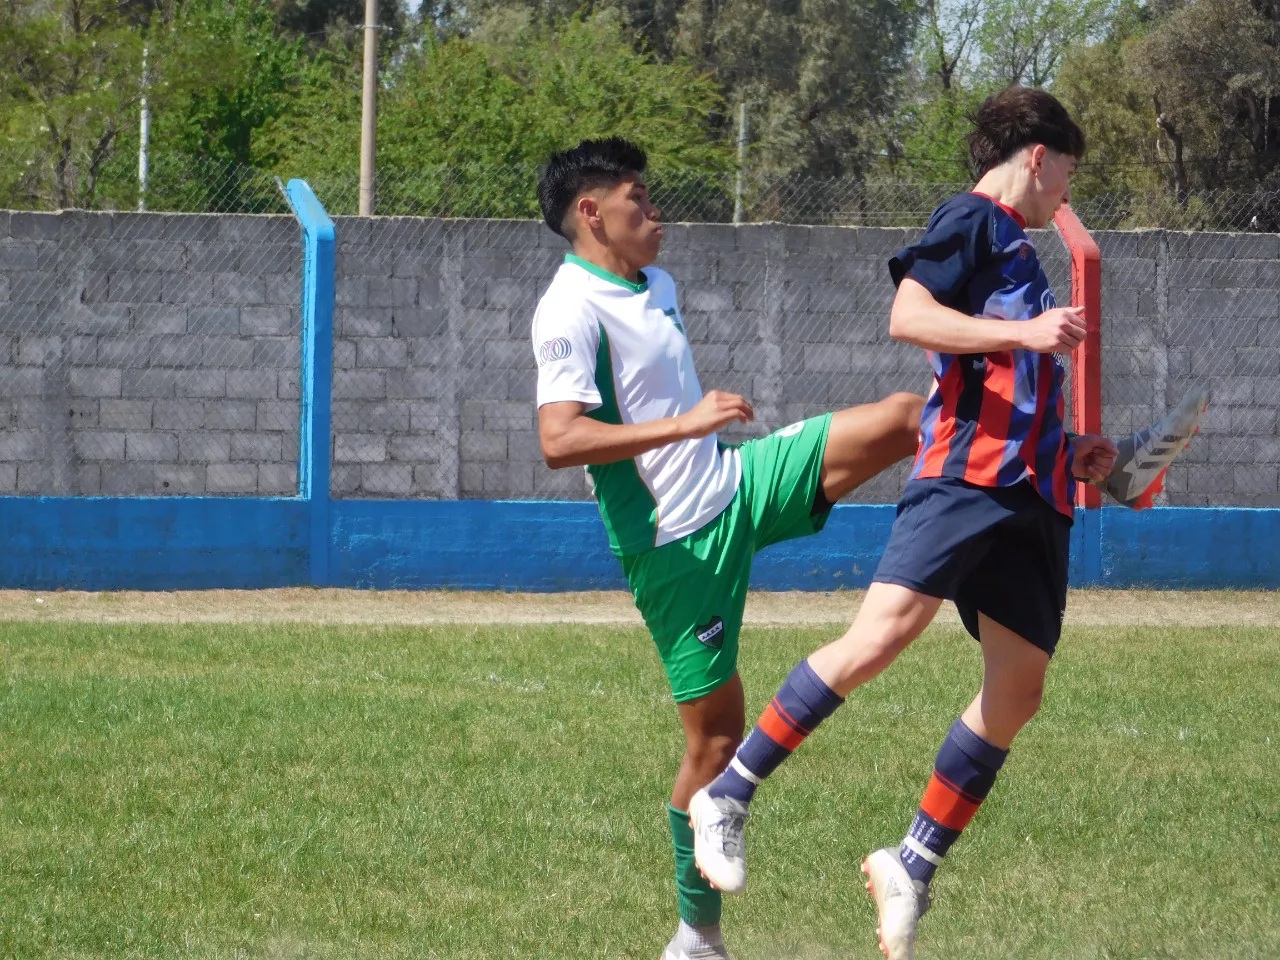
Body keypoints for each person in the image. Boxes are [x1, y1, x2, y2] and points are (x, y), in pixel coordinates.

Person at [688, 87, 1128, 960]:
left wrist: (1072, 444)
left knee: (1018, 692)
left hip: (1034, 492)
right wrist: (1034, 334)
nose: (1065, 196)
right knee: (882, 635)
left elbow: (1007, 370)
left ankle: (910, 864)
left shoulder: (1022, 255)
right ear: (1036, 156)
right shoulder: (970, 220)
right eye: (1067, 174)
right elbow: (910, 315)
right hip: (966, 476)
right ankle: (729, 793)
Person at [531, 136, 926, 960]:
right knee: (714, 747)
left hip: (738, 484)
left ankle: (1065, 461)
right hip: (676, 548)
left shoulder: (655, 283)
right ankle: (695, 940)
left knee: (902, 416)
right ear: (590, 212)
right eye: (639, 197)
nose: (656, 212)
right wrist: (688, 423)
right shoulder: (567, 307)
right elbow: (560, 440)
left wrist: (704, 439)